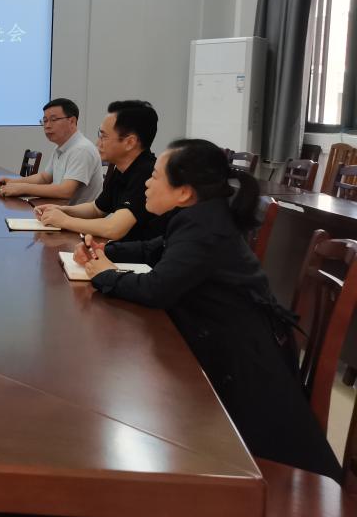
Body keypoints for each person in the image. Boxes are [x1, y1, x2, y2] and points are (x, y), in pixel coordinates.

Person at [75, 139, 342, 481]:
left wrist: (104, 275)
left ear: (184, 192)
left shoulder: (204, 229)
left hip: (245, 380)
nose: (147, 184)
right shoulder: (197, 217)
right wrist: (107, 250)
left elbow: (157, 289)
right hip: (228, 348)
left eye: (155, 177)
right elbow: (157, 248)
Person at [37, 100, 163, 241]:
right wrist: (62, 210)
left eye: (104, 136)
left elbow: (113, 229)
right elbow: (96, 209)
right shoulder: (122, 168)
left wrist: (64, 220)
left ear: (129, 142)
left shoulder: (147, 174)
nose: (98, 143)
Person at [0, 98, 102, 205]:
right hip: (58, 209)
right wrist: (12, 182)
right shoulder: (60, 147)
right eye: (45, 121)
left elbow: (66, 191)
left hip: (74, 215)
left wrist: (23, 188)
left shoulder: (82, 150)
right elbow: (44, 178)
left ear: (72, 121)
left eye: (53, 120)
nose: (47, 126)